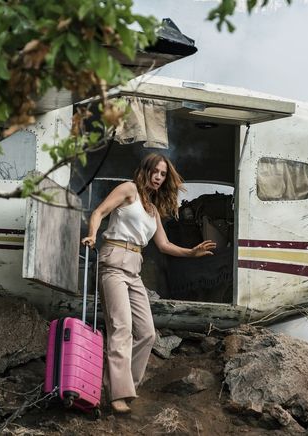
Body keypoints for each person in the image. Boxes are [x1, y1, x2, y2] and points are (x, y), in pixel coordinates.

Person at [81, 153, 216, 414]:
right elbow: (99, 212)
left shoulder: (153, 210)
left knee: (147, 333)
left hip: (134, 269)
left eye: (163, 174)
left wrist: (192, 252)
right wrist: (91, 235)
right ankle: (117, 394)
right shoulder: (128, 189)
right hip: (114, 262)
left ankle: (125, 386)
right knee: (121, 328)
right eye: (155, 171)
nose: (158, 177)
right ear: (145, 171)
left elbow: (164, 245)